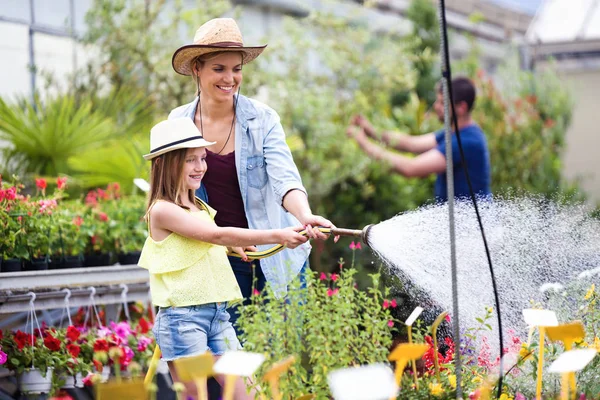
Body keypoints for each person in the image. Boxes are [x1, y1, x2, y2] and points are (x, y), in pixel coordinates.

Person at [168, 18, 336, 324]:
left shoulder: (262, 118)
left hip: (276, 256)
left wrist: (304, 215)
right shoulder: (178, 124)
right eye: (219, 68)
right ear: (197, 69)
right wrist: (218, 238)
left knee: (278, 362)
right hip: (220, 260)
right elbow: (176, 196)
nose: (230, 78)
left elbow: (285, 179)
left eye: (236, 69)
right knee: (230, 364)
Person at [138, 117, 319, 399]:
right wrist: (278, 235)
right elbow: (216, 235)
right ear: (164, 164)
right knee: (197, 396)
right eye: (190, 160)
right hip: (182, 320)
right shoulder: (162, 210)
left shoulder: (198, 206)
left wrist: (230, 249)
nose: (201, 167)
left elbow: (201, 243)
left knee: (249, 393)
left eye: (202, 158)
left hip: (218, 316)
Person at [347, 77, 491, 202]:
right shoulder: (455, 132)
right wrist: (371, 131)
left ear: (461, 107)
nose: (436, 106)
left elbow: (411, 168)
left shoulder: (467, 142)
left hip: (471, 230)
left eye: (442, 102)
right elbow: (410, 144)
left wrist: (363, 143)